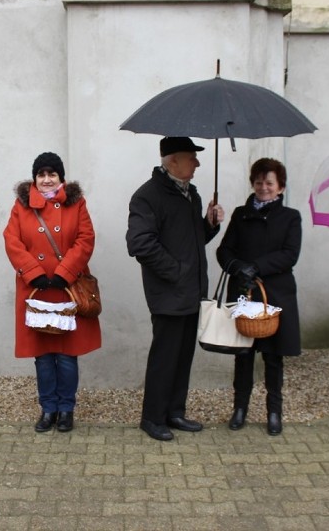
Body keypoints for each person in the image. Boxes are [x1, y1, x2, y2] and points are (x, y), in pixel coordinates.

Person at [126, 136, 224, 441]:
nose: (197, 163)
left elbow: (191, 242)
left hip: (192, 292)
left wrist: (209, 225)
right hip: (168, 293)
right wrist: (177, 272)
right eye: (191, 157)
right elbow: (139, 244)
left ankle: (175, 412)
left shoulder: (190, 195)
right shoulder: (148, 196)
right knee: (165, 356)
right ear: (173, 161)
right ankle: (152, 418)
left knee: (183, 356)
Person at [3, 152, 102, 433]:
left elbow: (85, 239)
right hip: (35, 289)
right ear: (35, 178)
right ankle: (48, 409)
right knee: (43, 355)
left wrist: (63, 273)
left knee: (68, 355)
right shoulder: (21, 206)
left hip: (67, 288)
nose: (47, 180)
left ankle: (66, 409)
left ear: (61, 178)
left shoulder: (76, 203)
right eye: (41, 174)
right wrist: (35, 273)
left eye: (52, 174)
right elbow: (12, 241)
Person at [215, 158, 301, 436]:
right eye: (259, 182)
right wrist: (240, 267)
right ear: (252, 183)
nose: (263, 187)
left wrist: (259, 267)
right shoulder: (240, 215)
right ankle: (240, 408)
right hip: (244, 290)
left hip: (275, 293)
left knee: (274, 356)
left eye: (269, 183)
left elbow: (290, 254)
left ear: (281, 187)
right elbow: (224, 251)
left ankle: (274, 410)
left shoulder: (290, 217)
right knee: (244, 354)